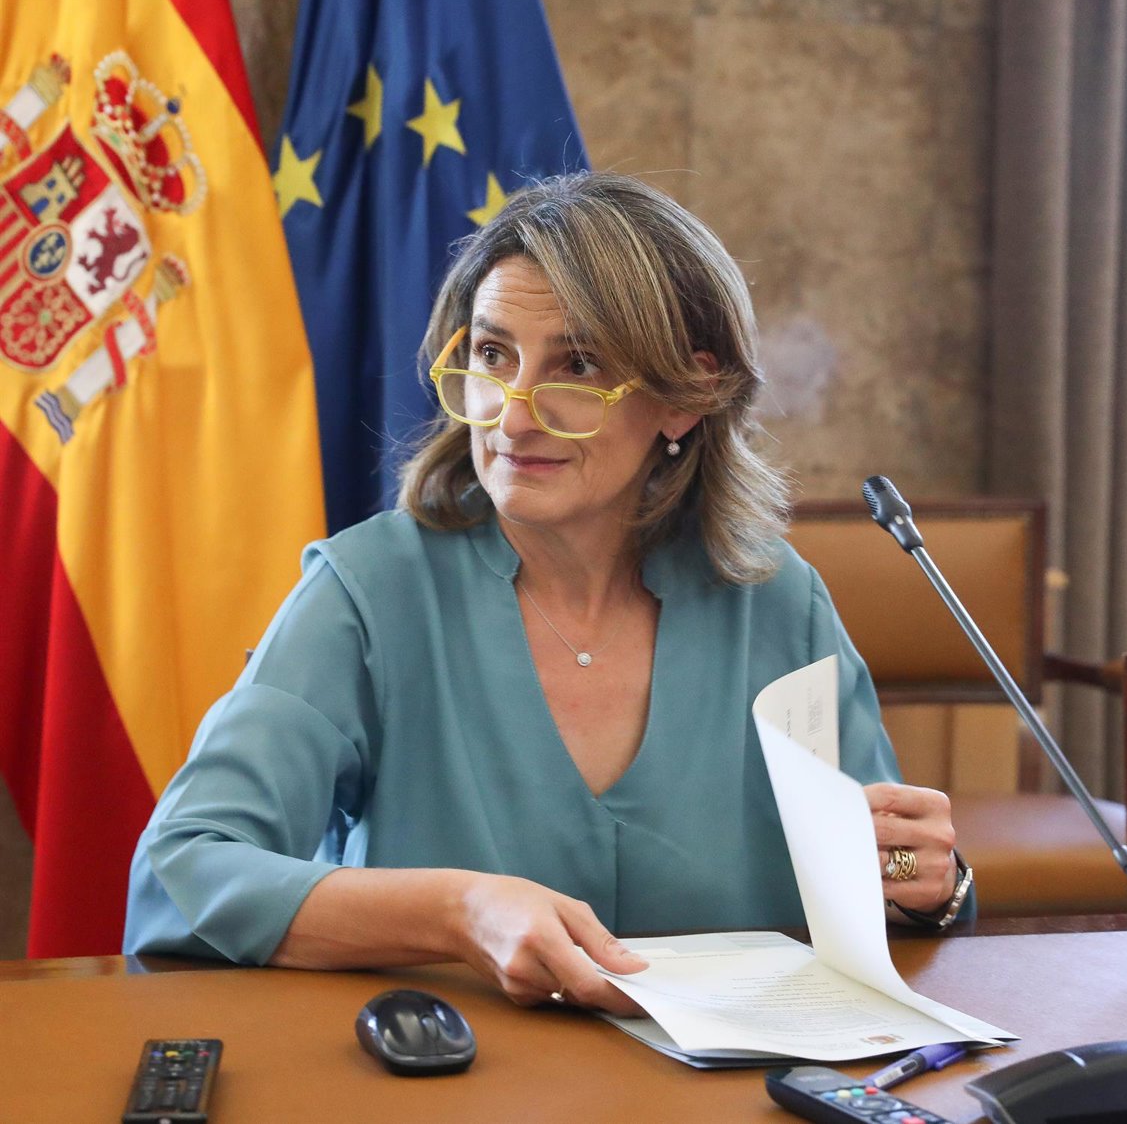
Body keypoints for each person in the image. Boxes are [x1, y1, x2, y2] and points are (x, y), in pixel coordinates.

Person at [124, 172, 972, 1014]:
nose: (513, 416)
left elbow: (882, 879)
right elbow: (182, 869)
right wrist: (458, 912)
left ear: (684, 397)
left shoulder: (778, 600)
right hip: (456, 1078)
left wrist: (926, 882)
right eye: (493, 356)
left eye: (579, 366)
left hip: (737, 1081)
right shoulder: (368, 591)